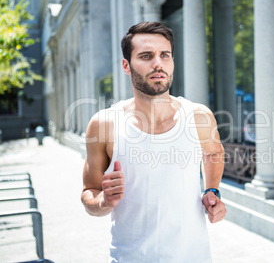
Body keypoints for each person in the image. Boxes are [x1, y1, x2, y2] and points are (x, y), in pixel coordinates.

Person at [81, 21, 227, 262]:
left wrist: (212, 191)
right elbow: (89, 193)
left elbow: (213, 153)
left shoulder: (199, 116)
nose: (158, 63)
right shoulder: (105, 124)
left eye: (165, 55)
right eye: (146, 56)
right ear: (126, 66)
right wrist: (104, 201)